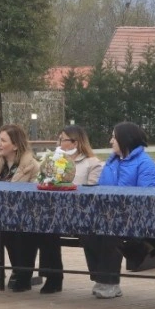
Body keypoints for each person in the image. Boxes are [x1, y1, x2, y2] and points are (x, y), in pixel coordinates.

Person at [84, 122, 155, 300]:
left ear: (125, 139)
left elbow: (148, 199)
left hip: (136, 218)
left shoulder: (145, 164)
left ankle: (109, 282)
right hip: (109, 215)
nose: (111, 141)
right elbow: (102, 189)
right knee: (86, 229)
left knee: (110, 231)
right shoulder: (112, 162)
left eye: (114, 137)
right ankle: (101, 278)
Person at [34, 126, 103, 295]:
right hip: (55, 212)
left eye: (62, 140)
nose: (59, 143)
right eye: (59, 139)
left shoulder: (92, 163)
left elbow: (92, 191)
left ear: (75, 142)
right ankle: (52, 277)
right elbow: (42, 181)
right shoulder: (53, 160)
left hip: (81, 213)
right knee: (43, 226)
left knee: (52, 225)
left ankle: (101, 278)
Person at [0, 124, 40, 292]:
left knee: (14, 227)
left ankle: (21, 272)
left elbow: (36, 197)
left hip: (24, 216)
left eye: (3, 140)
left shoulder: (33, 166)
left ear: (16, 145)